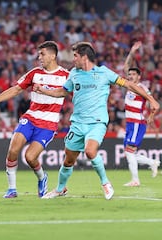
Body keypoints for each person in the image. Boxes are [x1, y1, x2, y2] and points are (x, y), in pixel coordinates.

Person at [34, 42, 160, 200]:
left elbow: (129, 84)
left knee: (90, 151)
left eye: (75, 56)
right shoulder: (74, 73)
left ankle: (106, 183)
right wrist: (43, 90)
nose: (73, 59)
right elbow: (62, 92)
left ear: (84, 57)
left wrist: (151, 99)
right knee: (68, 159)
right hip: (78, 124)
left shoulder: (104, 73)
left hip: (97, 122)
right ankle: (60, 189)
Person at [0, 41, 69, 198]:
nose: (39, 57)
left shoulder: (66, 76)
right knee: (13, 150)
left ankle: (42, 177)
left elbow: (73, 94)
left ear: (53, 55)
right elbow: (16, 89)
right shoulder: (34, 73)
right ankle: (12, 189)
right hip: (30, 117)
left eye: (43, 54)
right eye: (38, 54)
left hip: (48, 124)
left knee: (30, 157)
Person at [122, 41, 160, 186]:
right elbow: (126, 66)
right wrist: (132, 51)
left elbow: (154, 104)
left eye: (133, 74)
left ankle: (135, 180)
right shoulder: (129, 85)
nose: (130, 76)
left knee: (129, 151)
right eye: (129, 74)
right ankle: (152, 162)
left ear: (139, 76)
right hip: (131, 123)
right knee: (129, 152)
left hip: (137, 123)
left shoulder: (141, 88)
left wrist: (150, 117)